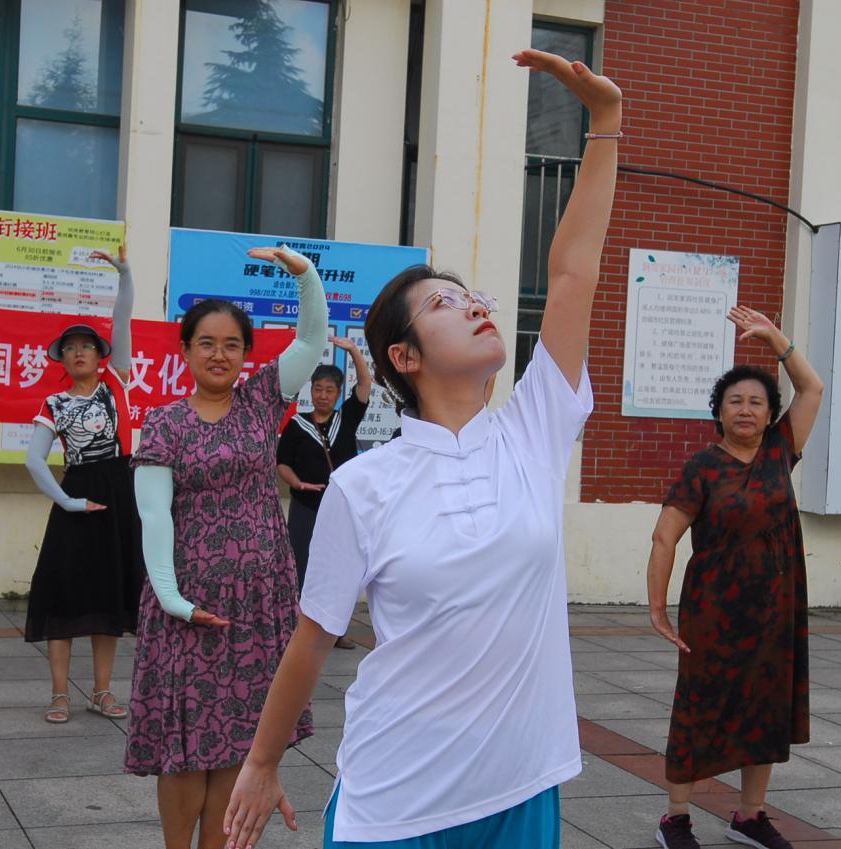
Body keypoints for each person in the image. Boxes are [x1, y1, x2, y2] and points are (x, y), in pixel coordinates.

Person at [221, 48, 621, 849]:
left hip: (521, 786)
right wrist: (262, 763)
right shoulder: (366, 485)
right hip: (397, 801)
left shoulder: (533, 430)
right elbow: (313, 636)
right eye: (445, 303)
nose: (474, 305)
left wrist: (605, 126)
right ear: (403, 357)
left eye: (472, 294)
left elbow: (574, 272)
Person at [125, 245, 327, 849]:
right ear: (186, 350)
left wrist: (305, 273)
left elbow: (312, 340)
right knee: (183, 749)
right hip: (188, 608)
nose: (219, 354)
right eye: (206, 342)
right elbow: (153, 516)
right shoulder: (163, 423)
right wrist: (172, 598)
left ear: (245, 354)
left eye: (232, 344)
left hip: (257, 603)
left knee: (241, 742)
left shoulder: (262, 400)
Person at [646, 307, 824, 849]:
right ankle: (676, 818)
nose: (746, 409)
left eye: (756, 402)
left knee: (764, 710)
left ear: (771, 415)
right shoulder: (703, 467)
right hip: (715, 613)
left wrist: (777, 341)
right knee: (700, 708)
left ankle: (749, 816)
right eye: (734, 401)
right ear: (717, 413)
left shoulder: (779, 451)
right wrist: (656, 607)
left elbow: (812, 388)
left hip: (775, 608)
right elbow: (664, 537)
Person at [22, 246, 145, 724]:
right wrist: (68, 502)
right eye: (70, 348)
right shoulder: (53, 401)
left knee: (109, 595)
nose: (78, 352)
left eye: (87, 346)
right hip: (77, 494)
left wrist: (126, 273)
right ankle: (58, 694)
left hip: (119, 489)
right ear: (64, 357)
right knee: (64, 593)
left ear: (100, 355)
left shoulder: (118, 380)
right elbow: (34, 461)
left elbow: (124, 317)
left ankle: (101, 691)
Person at [276, 338, 373, 650]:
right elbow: (281, 464)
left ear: (337, 393)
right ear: (311, 390)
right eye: (318, 389)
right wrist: (299, 484)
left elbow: (366, 383)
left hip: (339, 507)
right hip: (304, 506)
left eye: (329, 390)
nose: (322, 395)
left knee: (338, 567)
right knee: (301, 565)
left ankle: (336, 632)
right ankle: (299, 630)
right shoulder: (296, 424)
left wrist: (355, 351)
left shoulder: (346, 418)